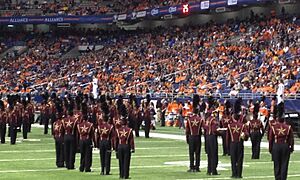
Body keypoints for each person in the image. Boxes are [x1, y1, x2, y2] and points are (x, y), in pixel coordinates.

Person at [269, 115, 294, 180]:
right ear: (284, 120)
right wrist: (291, 148)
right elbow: (291, 139)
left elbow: (270, 139)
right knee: (284, 164)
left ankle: (277, 178)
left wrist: (270, 149)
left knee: (276, 164)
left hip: (276, 146)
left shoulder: (273, 127)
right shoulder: (288, 127)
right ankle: (283, 178)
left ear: (277, 119)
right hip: (285, 146)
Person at [226, 114, 249, 179]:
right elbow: (247, 134)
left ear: (233, 118)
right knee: (239, 159)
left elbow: (228, 138)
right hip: (240, 144)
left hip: (232, 144)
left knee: (233, 160)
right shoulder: (242, 125)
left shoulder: (229, 125)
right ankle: (239, 174)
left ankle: (234, 173)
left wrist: (228, 147)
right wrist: (244, 136)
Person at [185, 108, 203, 172]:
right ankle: (197, 167)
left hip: (191, 137)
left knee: (191, 153)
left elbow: (187, 130)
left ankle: (191, 167)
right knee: (198, 153)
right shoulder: (200, 119)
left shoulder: (189, 119)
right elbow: (202, 129)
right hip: (198, 137)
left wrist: (187, 138)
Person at [204, 111, 220, 175]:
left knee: (209, 154)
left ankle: (209, 170)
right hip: (212, 137)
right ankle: (214, 170)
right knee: (214, 154)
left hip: (207, 137)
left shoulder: (207, 119)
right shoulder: (213, 120)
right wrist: (220, 133)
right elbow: (214, 130)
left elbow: (205, 127)